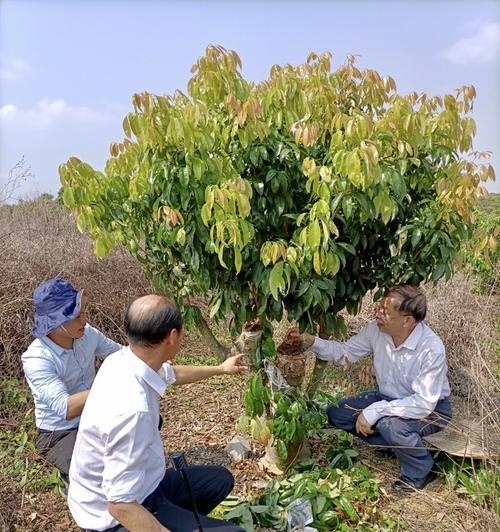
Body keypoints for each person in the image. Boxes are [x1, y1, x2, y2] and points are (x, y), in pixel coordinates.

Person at [68, 294, 247, 532]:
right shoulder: (132, 411)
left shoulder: (122, 360)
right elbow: (120, 505)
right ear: (173, 336)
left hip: (147, 484)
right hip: (115, 515)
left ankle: (176, 518)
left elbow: (173, 374)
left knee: (219, 480)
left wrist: (221, 369)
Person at [294, 284, 452, 493]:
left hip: (431, 409)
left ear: (407, 320)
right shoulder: (376, 330)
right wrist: (312, 342)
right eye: (379, 307)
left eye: (385, 312)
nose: (378, 314)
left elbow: (423, 403)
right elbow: (345, 352)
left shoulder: (431, 348)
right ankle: (393, 446)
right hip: (387, 398)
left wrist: (375, 410)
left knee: (391, 425)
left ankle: (420, 470)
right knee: (337, 413)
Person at [21, 279, 122, 483]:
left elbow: (120, 355)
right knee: (88, 470)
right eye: (75, 316)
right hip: (59, 431)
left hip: (95, 414)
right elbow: (65, 408)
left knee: (147, 423)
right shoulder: (37, 358)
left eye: (83, 312)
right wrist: (109, 387)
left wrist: (151, 357)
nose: (84, 320)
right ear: (54, 323)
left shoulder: (88, 335)